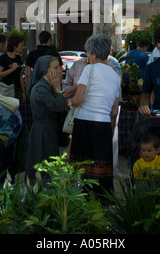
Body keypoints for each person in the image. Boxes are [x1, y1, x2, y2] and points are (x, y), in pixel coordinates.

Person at [69, 34, 120, 196]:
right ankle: (100, 199)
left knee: (81, 166)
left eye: (88, 53)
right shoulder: (115, 75)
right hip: (104, 125)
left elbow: (77, 100)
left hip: (84, 124)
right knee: (100, 168)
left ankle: (79, 197)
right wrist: (111, 129)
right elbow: (114, 111)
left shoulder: (89, 69)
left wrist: (70, 99)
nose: (87, 57)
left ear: (95, 54)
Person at [25, 55, 69, 183]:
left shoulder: (45, 86)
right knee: (43, 164)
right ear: (45, 70)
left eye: (59, 67)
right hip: (43, 131)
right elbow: (60, 106)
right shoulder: (40, 89)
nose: (60, 70)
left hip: (49, 129)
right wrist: (58, 89)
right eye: (55, 67)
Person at [0, 35, 26, 103]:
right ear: (15, 46)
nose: (22, 48)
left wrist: (23, 90)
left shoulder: (18, 58)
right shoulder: (3, 58)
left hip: (17, 89)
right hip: (6, 89)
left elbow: (20, 75)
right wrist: (12, 69)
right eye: (21, 45)